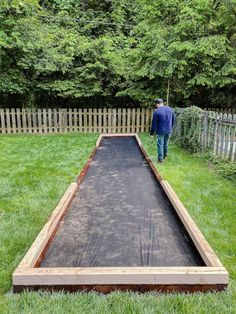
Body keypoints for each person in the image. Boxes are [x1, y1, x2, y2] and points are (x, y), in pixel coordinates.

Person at [150, 98, 175, 163]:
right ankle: (165, 156)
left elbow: (154, 124)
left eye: (156, 104)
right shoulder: (170, 109)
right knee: (166, 143)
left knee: (160, 144)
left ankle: (160, 159)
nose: (156, 106)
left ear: (157, 104)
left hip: (160, 131)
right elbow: (173, 120)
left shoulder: (157, 111)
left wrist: (152, 133)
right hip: (169, 130)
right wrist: (170, 128)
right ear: (162, 103)